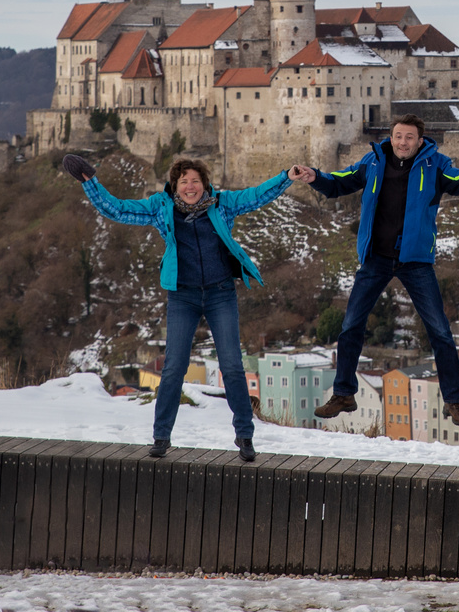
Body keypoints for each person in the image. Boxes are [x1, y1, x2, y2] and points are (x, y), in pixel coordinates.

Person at [288, 115, 459, 427]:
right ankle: (343, 394)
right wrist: (313, 176)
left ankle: (454, 401)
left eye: (409, 137)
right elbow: (338, 183)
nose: (402, 142)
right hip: (375, 258)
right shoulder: (373, 161)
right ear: (391, 136)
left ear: (420, 140)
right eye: (398, 136)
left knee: (439, 331)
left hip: (415, 260)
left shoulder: (436, 164)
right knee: (351, 326)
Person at [61, 153, 291, 462]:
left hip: (221, 292)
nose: (190, 187)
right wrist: (90, 181)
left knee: (233, 367)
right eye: (184, 182)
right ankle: (161, 436)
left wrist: (286, 176)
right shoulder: (161, 207)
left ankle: (245, 435)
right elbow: (118, 209)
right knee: (172, 369)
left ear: (205, 184)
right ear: (175, 186)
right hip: (183, 295)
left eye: (196, 181)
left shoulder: (222, 204)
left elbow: (256, 196)